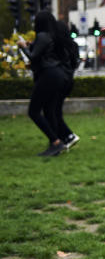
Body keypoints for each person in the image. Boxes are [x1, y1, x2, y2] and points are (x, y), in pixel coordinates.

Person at [18, 12, 78, 156]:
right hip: (56, 75)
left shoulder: (42, 36)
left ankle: (56, 142)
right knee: (49, 111)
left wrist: (22, 46)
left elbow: (33, 57)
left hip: (48, 75)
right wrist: (31, 45)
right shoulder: (51, 37)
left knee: (34, 111)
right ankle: (56, 143)